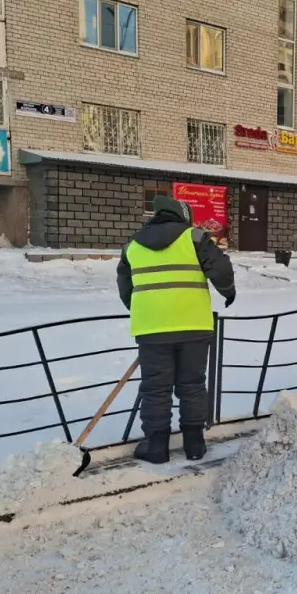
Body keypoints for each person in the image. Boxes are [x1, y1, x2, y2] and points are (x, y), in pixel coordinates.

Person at [116, 195, 237, 464]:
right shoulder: (194, 238)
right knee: (192, 384)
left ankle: (156, 447)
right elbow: (221, 267)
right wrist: (228, 292)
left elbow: (125, 285)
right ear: (183, 215)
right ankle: (194, 444)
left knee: (155, 388)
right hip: (194, 326)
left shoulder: (133, 245)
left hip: (152, 329)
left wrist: (142, 308)